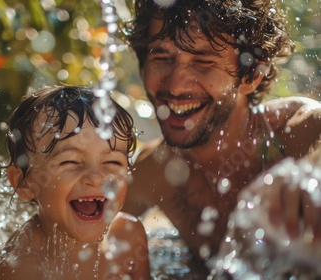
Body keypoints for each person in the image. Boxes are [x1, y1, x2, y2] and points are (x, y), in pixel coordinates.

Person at [121, 0, 321, 269]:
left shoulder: (304, 134)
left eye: (202, 61)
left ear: (251, 74)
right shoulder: (154, 173)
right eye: (161, 57)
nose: (176, 85)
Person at [0, 85, 151, 279]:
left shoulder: (129, 236)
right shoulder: (21, 266)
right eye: (70, 161)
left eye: (112, 162)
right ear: (25, 183)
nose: (96, 178)